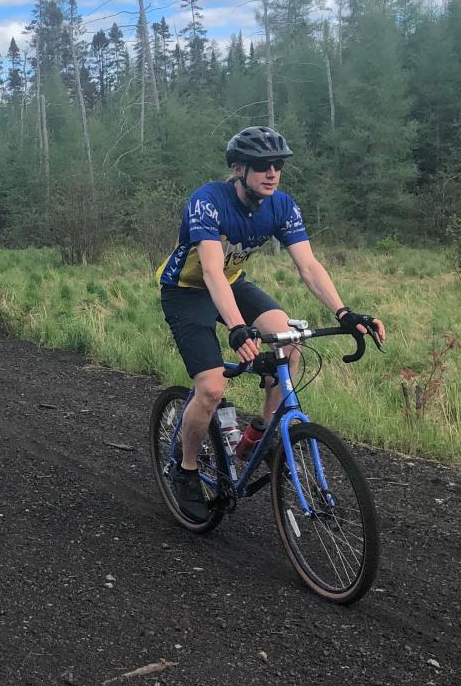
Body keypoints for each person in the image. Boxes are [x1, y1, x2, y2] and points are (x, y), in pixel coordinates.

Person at [155, 126, 385, 519]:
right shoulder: (208, 201)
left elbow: (309, 266)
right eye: (262, 166)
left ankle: (259, 433)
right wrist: (236, 327)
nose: (272, 173)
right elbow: (210, 271)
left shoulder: (281, 205)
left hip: (233, 283)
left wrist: (344, 313)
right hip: (187, 290)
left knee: (288, 339)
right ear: (237, 169)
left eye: (278, 165)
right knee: (210, 387)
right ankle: (187, 469)